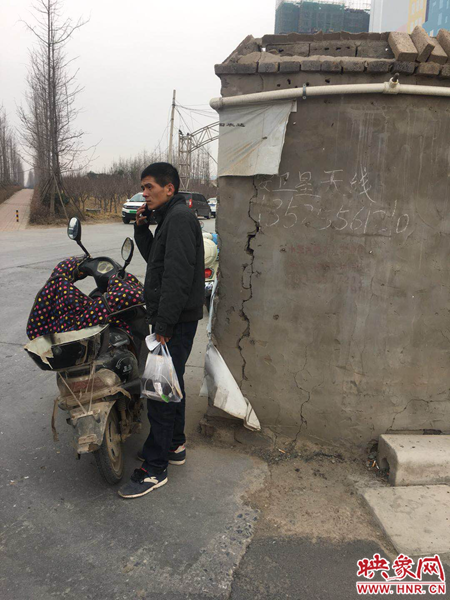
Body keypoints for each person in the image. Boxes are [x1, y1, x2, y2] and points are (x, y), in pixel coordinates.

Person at [118, 163, 205, 499]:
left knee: (160, 391)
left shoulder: (179, 218)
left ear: (169, 188)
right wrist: (142, 229)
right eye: (143, 187)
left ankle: (155, 469)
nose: (144, 193)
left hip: (174, 322)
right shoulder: (170, 217)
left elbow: (177, 276)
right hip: (174, 319)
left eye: (149, 187)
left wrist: (165, 325)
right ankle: (174, 445)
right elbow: (158, 259)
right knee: (172, 382)